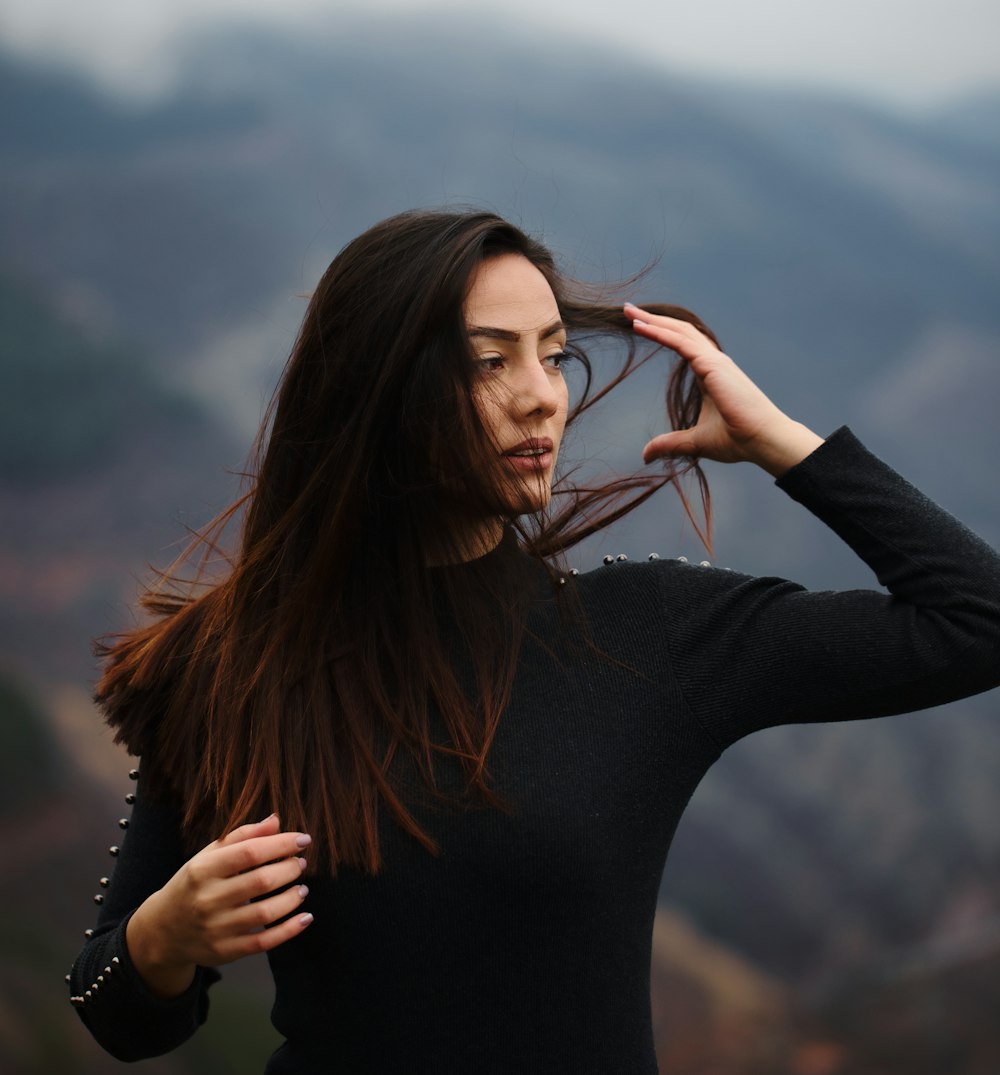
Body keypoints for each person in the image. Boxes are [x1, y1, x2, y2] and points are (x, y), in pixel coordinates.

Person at [68, 209, 1000, 1073]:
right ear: (378, 387)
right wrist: (164, 939)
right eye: (489, 362)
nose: (542, 399)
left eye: (554, 358)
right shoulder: (229, 664)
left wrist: (786, 444)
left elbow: (976, 621)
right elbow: (116, 1015)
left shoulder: (647, 634)